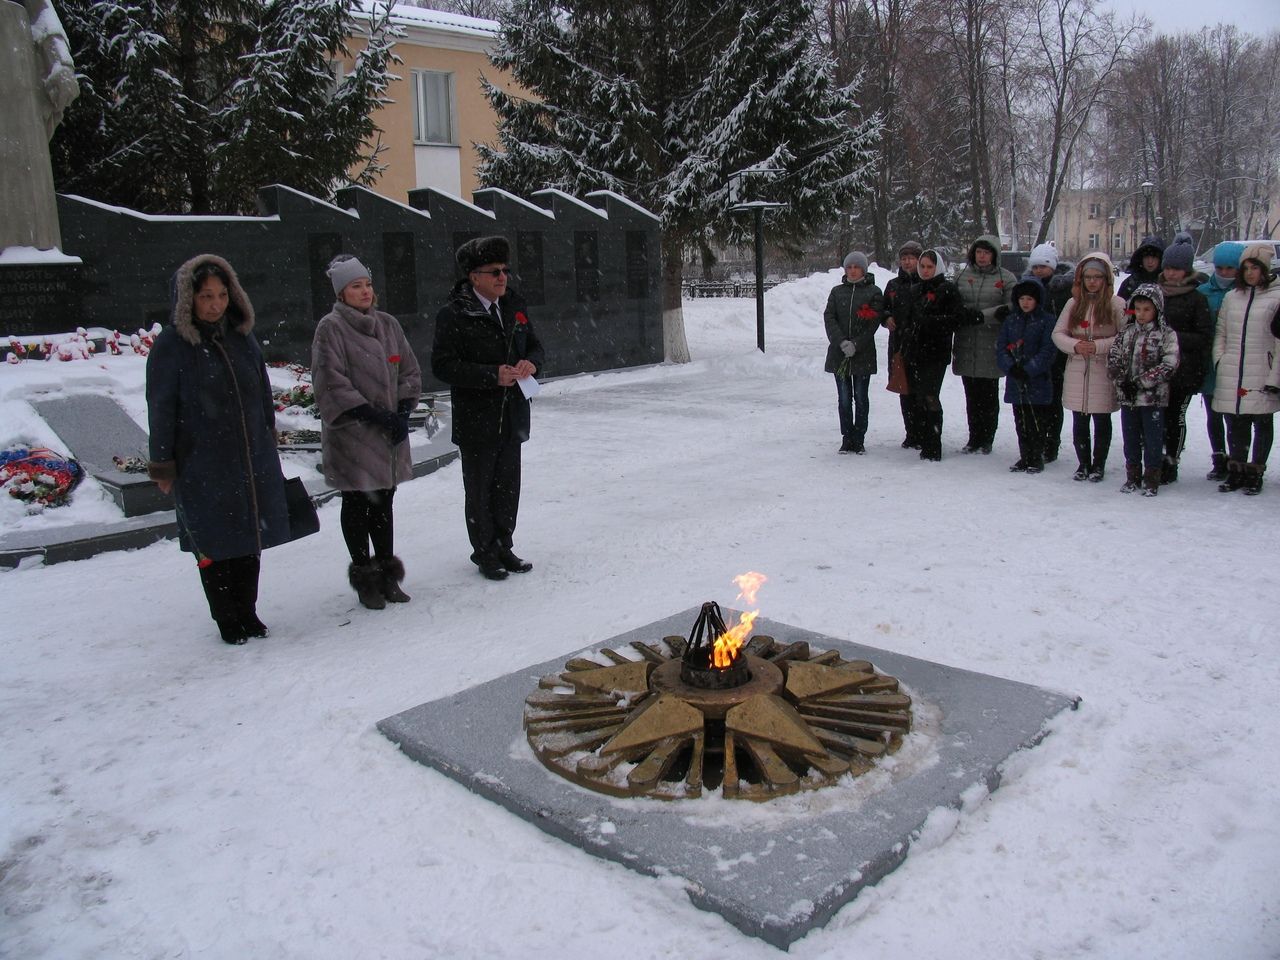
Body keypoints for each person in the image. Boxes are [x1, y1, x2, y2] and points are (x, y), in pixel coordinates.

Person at [146, 254, 289, 645]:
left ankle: (249, 610)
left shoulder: (240, 336)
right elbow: (160, 407)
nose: (215, 304)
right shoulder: (172, 346)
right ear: (187, 299)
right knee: (214, 542)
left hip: (249, 455)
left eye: (222, 295)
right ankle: (227, 617)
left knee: (249, 538)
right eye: (206, 296)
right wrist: (163, 465)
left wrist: (267, 433)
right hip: (202, 461)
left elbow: (261, 390)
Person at [312, 255, 422, 610]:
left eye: (367, 285)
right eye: (355, 286)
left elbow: (409, 371)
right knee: (358, 503)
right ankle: (365, 578)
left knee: (384, 503)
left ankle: (388, 574)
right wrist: (374, 415)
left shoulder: (388, 325)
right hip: (354, 435)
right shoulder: (331, 328)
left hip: (387, 435)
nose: (364, 292)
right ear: (341, 293)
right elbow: (331, 382)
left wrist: (402, 411)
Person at [432, 236, 545, 579]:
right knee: (480, 489)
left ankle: (504, 546)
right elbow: (443, 365)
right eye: (494, 271)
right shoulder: (454, 314)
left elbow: (538, 348)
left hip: (511, 415)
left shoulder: (514, 307)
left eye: (505, 270)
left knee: (508, 486)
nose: (502, 277)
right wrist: (490, 376)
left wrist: (531, 364)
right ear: (473, 276)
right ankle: (484, 552)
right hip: (477, 418)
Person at [0, 0, 79, 251]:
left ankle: (23, 247)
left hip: (10, 55)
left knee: (19, 166)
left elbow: (40, 8)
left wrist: (60, 59)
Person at [1052, 252, 1128, 482]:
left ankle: (1098, 464)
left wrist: (1099, 346)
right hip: (1077, 368)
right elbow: (1058, 334)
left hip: (1103, 369)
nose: (1092, 282)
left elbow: (1125, 337)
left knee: (1102, 421)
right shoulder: (1073, 303)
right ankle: (1083, 463)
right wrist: (1075, 346)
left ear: (1106, 279)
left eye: (1097, 277)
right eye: (1088, 277)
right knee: (1080, 421)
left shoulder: (1117, 304)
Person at [1211, 244, 1280, 494]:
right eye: (1246, 268)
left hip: (1262, 368)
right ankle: (1236, 468)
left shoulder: (1276, 296)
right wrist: (1220, 358)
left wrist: (1275, 373)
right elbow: (1221, 332)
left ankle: (1255, 471)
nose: (1250, 273)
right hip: (1233, 368)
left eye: (1256, 268)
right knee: (1236, 422)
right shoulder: (1232, 297)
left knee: (1261, 422)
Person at [893, 249, 966, 461]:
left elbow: (957, 318)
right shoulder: (915, 288)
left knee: (930, 396)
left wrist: (931, 322)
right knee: (917, 397)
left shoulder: (947, 289)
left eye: (929, 267)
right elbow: (905, 319)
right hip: (914, 352)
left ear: (938, 268)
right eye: (922, 266)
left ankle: (934, 444)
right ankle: (923, 438)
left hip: (935, 352)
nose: (925, 271)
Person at [1108, 284, 1180, 496]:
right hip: (1128, 398)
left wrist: (1141, 382)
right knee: (1130, 438)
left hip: (1152, 399)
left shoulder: (1166, 334)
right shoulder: (1126, 332)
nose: (1141, 314)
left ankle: (1152, 477)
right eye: (1137, 309)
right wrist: (1121, 380)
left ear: (1157, 309)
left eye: (1146, 309)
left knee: (1153, 440)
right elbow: (1113, 357)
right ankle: (1132, 475)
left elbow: (1169, 364)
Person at [1154, 236, 1211, 483]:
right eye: (1167, 268)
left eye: (1175, 269)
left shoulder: (1196, 299)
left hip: (1184, 369)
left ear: (1186, 270)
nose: (1170, 273)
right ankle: (1155, 459)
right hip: (1154, 367)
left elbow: (1203, 336)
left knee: (1175, 417)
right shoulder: (1154, 293)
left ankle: (1171, 461)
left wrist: (1172, 338)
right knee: (1156, 416)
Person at [952, 235, 1016, 454]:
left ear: (994, 255)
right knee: (971, 394)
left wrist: (982, 316)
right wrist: (960, 314)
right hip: (967, 342)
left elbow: (1011, 306)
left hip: (991, 342)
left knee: (988, 395)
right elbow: (952, 300)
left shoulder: (1005, 278)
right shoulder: (961, 275)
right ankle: (974, 437)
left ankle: (986, 437)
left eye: (986, 252)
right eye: (978, 252)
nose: (982, 256)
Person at [995, 277, 1059, 474]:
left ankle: (1036, 456)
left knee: (1036, 420)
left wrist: (1029, 369)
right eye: (1022, 298)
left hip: (1037, 380)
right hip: (1016, 380)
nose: (1025, 302)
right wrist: (1011, 367)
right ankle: (1025, 455)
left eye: (1030, 299)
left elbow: (1048, 351)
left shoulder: (1047, 320)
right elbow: (1001, 348)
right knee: (1020, 419)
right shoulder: (1011, 320)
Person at [823, 251, 884, 454]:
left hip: (862, 355)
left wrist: (856, 344)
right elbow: (829, 317)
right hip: (839, 354)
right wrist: (841, 342)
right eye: (849, 267)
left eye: (856, 267)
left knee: (860, 396)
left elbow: (873, 323)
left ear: (863, 270)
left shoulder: (873, 292)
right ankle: (846, 436)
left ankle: (859, 437)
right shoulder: (837, 291)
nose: (852, 271)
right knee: (843, 397)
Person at [1197, 241, 1245, 480]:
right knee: (1213, 415)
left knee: (1235, 416)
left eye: (1230, 268)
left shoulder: (1245, 293)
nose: (1224, 273)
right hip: (1209, 363)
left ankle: (1238, 459)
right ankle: (1219, 457)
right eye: (1220, 267)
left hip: (1236, 362)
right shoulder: (1204, 292)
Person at [1023, 243, 1073, 463]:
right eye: (1035, 267)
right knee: (1034, 400)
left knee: (1052, 400)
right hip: (1032, 352)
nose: (1039, 271)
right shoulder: (1027, 288)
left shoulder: (1062, 291)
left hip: (1056, 353)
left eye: (1043, 266)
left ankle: (1051, 443)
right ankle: (1037, 439)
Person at [884, 241, 923, 448]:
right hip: (898, 344)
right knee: (904, 389)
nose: (907, 262)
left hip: (920, 344)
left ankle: (923, 430)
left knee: (921, 390)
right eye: (904, 258)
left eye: (911, 258)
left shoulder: (925, 282)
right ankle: (911, 433)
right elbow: (883, 309)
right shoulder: (893, 285)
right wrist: (886, 317)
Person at [1117, 235, 1166, 302]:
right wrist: (1133, 312)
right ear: (1141, 258)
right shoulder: (1130, 283)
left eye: (1154, 257)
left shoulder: (1168, 283)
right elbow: (1121, 308)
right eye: (1146, 257)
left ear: (1160, 259)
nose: (1150, 261)